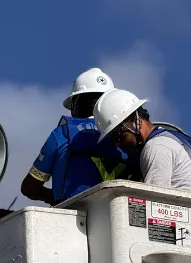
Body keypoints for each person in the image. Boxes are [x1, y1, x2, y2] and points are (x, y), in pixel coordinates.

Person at [22, 67, 128, 206]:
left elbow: (29, 188)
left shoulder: (62, 134)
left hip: (73, 218)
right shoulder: (127, 132)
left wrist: (52, 198)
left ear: (77, 103)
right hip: (117, 214)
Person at [94, 88, 191, 192]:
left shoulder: (156, 147)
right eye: (113, 139)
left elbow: (153, 203)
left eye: (119, 136)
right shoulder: (165, 140)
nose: (117, 144)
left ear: (136, 121)